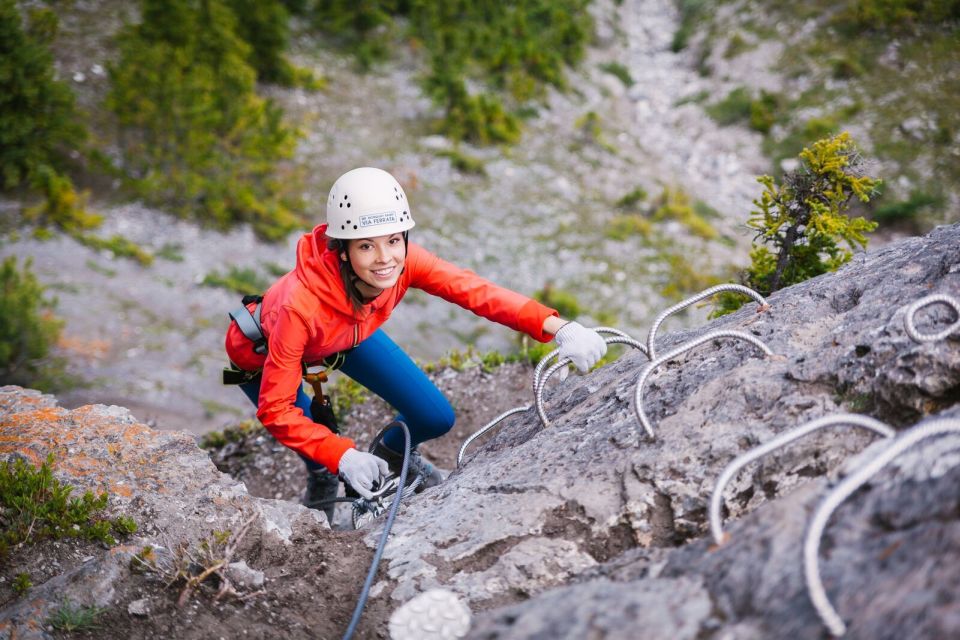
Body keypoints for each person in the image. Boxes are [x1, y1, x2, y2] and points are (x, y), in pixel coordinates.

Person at [223, 167, 607, 516]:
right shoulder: (298, 307)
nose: (385, 259)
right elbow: (277, 409)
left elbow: (474, 291)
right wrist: (341, 457)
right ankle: (322, 478)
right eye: (366, 245)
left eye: (393, 240)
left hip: (342, 334)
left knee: (434, 416)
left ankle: (388, 454)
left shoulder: (406, 262)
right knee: (320, 446)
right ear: (342, 250)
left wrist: (557, 326)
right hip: (260, 356)